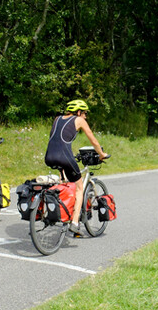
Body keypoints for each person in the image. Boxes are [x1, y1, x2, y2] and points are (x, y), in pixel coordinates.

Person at [45, 99, 108, 237]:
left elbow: (56, 140)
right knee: (79, 188)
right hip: (64, 156)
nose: (85, 116)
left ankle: (61, 210)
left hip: (49, 156)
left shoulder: (57, 118)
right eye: (84, 113)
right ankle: (74, 223)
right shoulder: (79, 120)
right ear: (78, 112)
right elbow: (93, 140)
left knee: (65, 183)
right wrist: (101, 154)